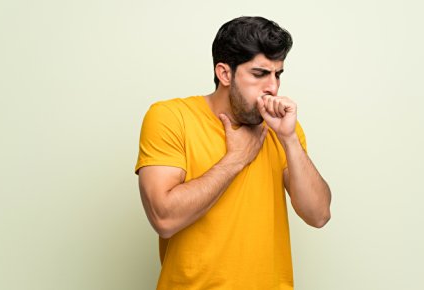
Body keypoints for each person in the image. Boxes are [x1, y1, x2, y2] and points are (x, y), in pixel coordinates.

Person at [135, 16, 331, 289]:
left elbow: (318, 214)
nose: (273, 87)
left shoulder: (282, 129)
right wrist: (235, 159)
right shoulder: (171, 117)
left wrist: (289, 139)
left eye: (278, 74)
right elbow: (164, 218)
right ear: (224, 73)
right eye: (260, 73)